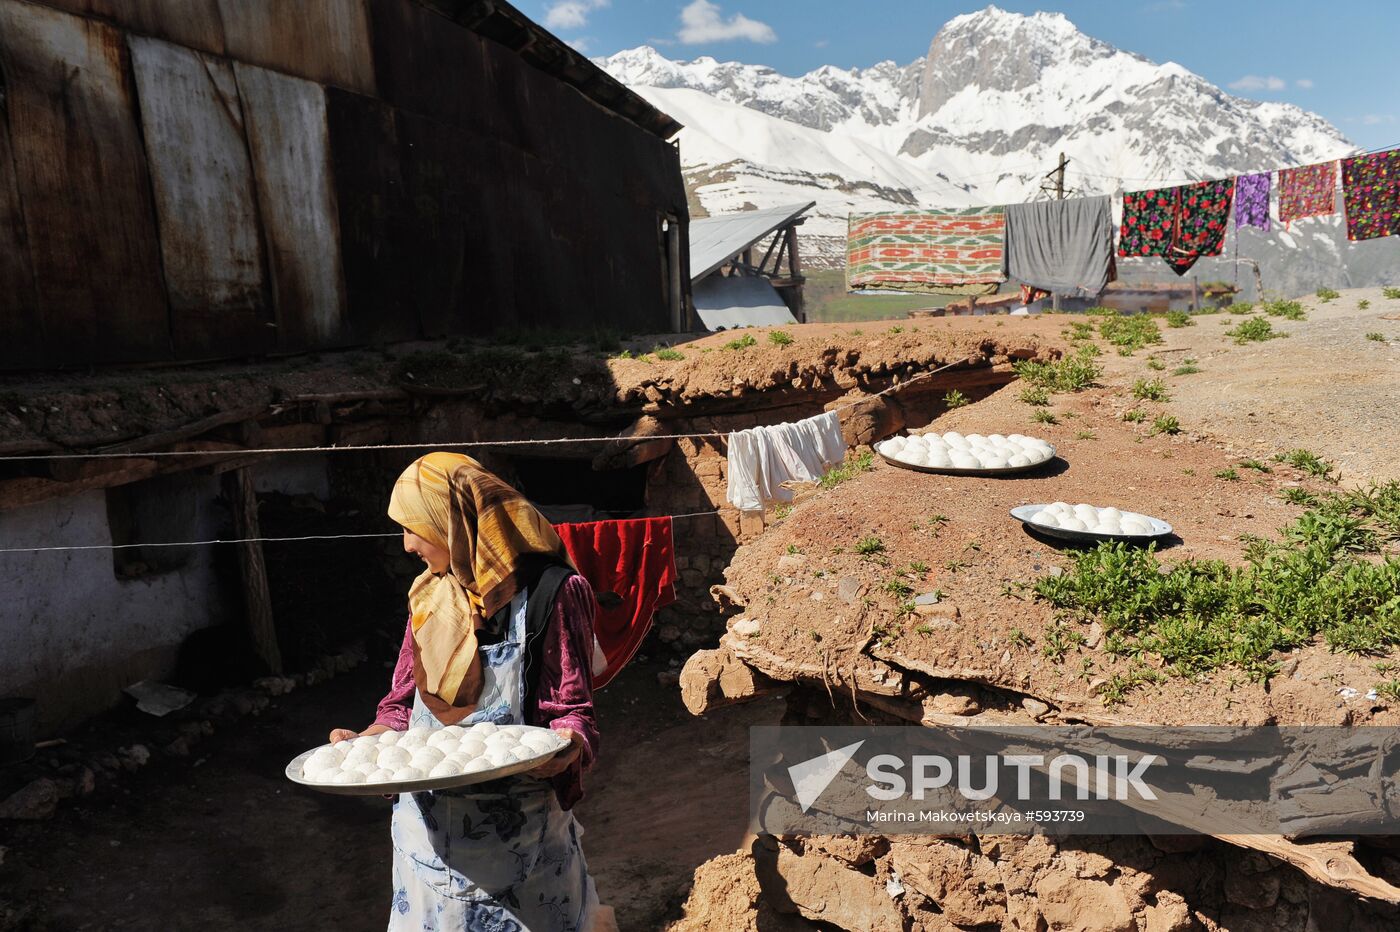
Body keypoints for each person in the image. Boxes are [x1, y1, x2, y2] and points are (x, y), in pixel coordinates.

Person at [328, 452, 609, 932]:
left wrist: (565, 749)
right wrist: (369, 744)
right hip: (428, 847)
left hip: (521, 846)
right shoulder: (430, 595)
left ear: (454, 521)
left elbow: (572, 709)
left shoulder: (553, 593)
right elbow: (402, 704)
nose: (407, 544)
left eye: (414, 526)